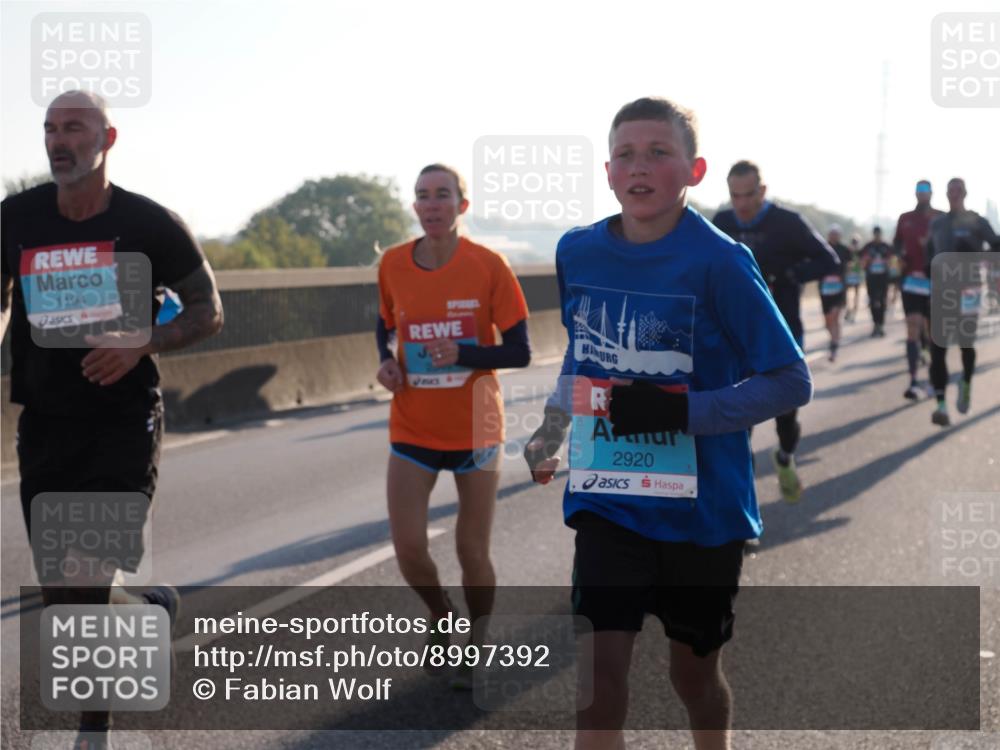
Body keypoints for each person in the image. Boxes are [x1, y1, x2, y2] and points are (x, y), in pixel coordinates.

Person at [524, 97, 811, 750]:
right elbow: (582, 350)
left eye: (658, 153)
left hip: (703, 512)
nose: (639, 166)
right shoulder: (578, 251)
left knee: (694, 678)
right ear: (607, 171)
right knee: (597, 685)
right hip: (609, 499)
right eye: (625, 154)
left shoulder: (721, 262)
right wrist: (553, 426)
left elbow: (791, 380)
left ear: (694, 170)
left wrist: (681, 412)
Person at [0, 90, 223, 749]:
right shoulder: (15, 217)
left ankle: (92, 728)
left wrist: (142, 342)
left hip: (122, 423)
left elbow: (208, 310)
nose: (58, 140)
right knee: (62, 595)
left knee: (85, 578)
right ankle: (147, 606)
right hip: (45, 422)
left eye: (74, 127)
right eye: (50, 128)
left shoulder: (149, 223)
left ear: (108, 138)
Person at [375, 164, 530, 690]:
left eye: (443, 195)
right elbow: (385, 323)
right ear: (415, 207)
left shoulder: (488, 265)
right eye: (423, 196)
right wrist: (386, 360)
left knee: (472, 550)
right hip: (413, 425)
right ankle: (441, 615)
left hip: (476, 428)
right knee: (408, 547)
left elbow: (520, 350)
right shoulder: (393, 263)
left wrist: (464, 352)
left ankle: (477, 646)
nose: (432, 204)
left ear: (462, 205)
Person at [712, 161, 839, 503]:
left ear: (763, 191)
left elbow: (829, 260)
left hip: (782, 333)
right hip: (736, 338)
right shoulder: (722, 223)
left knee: (786, 416)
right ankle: (744, 507)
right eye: (734, 195)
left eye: (748, 195)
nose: (741, 204)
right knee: (739, 423)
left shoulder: (788, 222)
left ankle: (785, 456)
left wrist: (789, 276)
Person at [925, 177, 1000, 426]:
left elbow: (997, 245)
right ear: (946, 194)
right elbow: (929, 254)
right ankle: (941, 405)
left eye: (958, 190)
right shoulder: (937, 223)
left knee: (966, 344)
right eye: (950, 190)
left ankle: (965, 383)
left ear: (965, 193)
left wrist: (979, 256)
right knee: (938, 348)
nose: (954, 194)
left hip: (969, 290)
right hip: (942, 290)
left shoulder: (977, 221)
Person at [893, 180, 942, 400]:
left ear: (931, 193)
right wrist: (900, 256)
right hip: (911, 281)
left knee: (932, 333)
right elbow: (896, 243)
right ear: (915, 193)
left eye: (926, 190)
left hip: (935, 281)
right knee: (912, 326)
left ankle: (933, 379)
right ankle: (913, 381)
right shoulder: (905, 218)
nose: (922, 194)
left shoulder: (940, 217)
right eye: (919, 190)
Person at [820, 224, 850, 361]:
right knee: (828, 321)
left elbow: (849, 266)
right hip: (825, 288)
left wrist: (845, 280)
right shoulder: (822, 247)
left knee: (835, 316)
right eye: (832, 233)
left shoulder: (844, 249)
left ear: (840, 235)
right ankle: (833, 339)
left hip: (839, 288)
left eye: (836, 234)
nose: (833, 236)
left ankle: (834, 345)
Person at [860, 226, 893, 337]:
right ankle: (875, 324)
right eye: (875, 234)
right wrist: (866, 260)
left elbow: (892, 260)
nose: (877, 236)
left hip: (883, 278)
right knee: (873, 301)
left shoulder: (886, 246)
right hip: (871, 278)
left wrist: (886, 261)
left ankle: (881, 325)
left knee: (882, 301)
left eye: (878, 234)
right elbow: (861, 261)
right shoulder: (868, 246)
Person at [845, 233, 864, 322]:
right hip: (849, 275)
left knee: (856, 294)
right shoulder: (848, 251)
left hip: (857, 275)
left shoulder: (861, 252)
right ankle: (848, 309)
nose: (855, 244)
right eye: (853, 242)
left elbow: (863, 263)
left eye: (856, 242)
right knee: (847, 294)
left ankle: (854, 312)